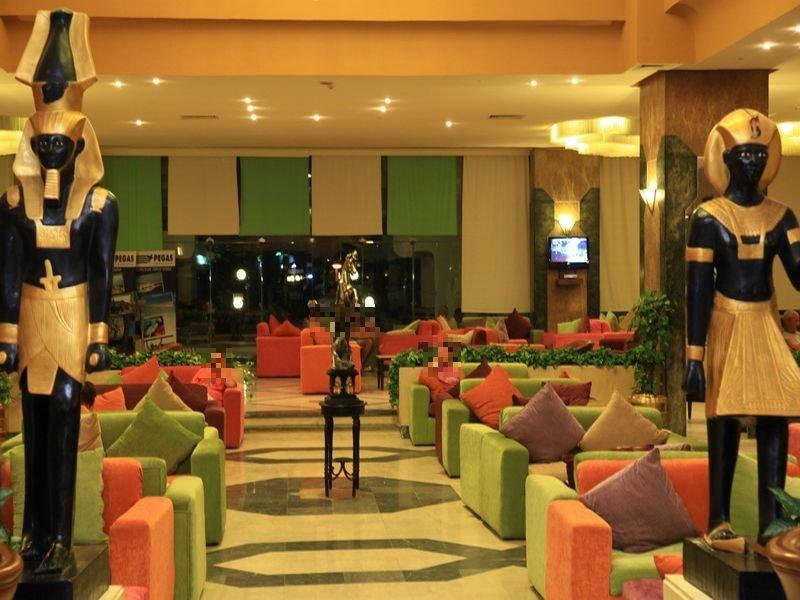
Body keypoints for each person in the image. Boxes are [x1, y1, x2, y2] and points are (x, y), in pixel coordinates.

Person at [683, 109, 800, 554]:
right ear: (727, 159)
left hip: (765, 321)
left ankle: (772, 524)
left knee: (775, 416)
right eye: (745, 154)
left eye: (760, 154)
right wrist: (694, 358)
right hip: (727, 320)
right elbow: (697, 291)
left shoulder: (781, 216)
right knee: (724, 418)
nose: (753, 162)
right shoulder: (708, 218)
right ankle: (719, 518)